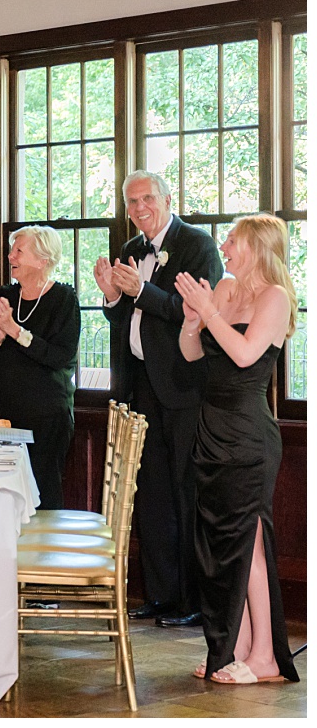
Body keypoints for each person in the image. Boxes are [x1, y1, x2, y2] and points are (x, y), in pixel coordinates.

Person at [93, 170, 222, 627]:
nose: (138, 208)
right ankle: (160, 594)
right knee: (149, 493)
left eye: (147, 198)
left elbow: (197, 313)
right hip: (142, 383)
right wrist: (113, 297)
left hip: (185, 387)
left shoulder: (197, 245)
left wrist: (141, 291)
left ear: (168, 198)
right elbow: (127, 319)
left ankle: (192, 601)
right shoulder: (131, 250)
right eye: (131, 202)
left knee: (186, 492)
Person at [176, 215, 299, 685]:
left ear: (257, 247)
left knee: (248, 544)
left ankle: (265, 655)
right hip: (211, 428)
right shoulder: (225, 289)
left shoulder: (275, 297)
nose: (223, 245)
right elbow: (193, 354)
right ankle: (235, 648)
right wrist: (192, 321)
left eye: (232, 239)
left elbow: (246, 354)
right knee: (222, 546)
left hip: (248, 434)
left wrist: (207, 312)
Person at [0, 225, 81, 509]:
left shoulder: (64, 299)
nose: (10, 256)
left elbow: (61, 357)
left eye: (19, 250)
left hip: (44, 421)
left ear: (43, 260)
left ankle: (41, 554)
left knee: (41, 497)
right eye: (11, 249)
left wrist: (17, 332)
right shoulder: (3, 296)